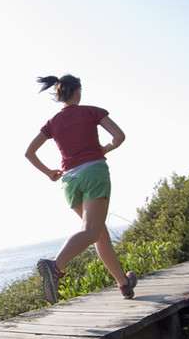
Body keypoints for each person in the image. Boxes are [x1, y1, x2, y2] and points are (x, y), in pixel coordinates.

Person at [25, 74, 137, 304]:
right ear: (78, 91)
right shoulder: (92, 112)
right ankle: (54, 266)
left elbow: (29, 152)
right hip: (93, 173)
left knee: (99, 233)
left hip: (70, 182)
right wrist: (105, 149)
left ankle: (124, 284)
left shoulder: (53, 122)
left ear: (59, 95)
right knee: (92, 230)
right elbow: (119, 136)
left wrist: (49, 173)